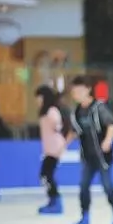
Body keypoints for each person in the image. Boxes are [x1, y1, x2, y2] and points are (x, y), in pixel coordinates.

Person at [67, 75, 113, 224]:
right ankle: (85, 219)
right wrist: (63, 144)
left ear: (87, 90)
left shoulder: (98, 107)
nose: (75, 94)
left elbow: (111, 124)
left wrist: (108, 141)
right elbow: (76, 131)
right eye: (74, 91)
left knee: (108, 187)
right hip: (88, 158)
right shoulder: (76, 111)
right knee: (83, 187)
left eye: (79, 90)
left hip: (102, 157)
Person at [36, 86, 67, 214]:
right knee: (46, 175)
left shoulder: (52, 111)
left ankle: (56, 202)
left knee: (46, 175)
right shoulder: (45, 112)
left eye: (38, 97)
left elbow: (59, 127)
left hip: (55, 149)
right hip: (49, 150)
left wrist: (61, 146)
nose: (37, 100)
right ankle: (53, 200)